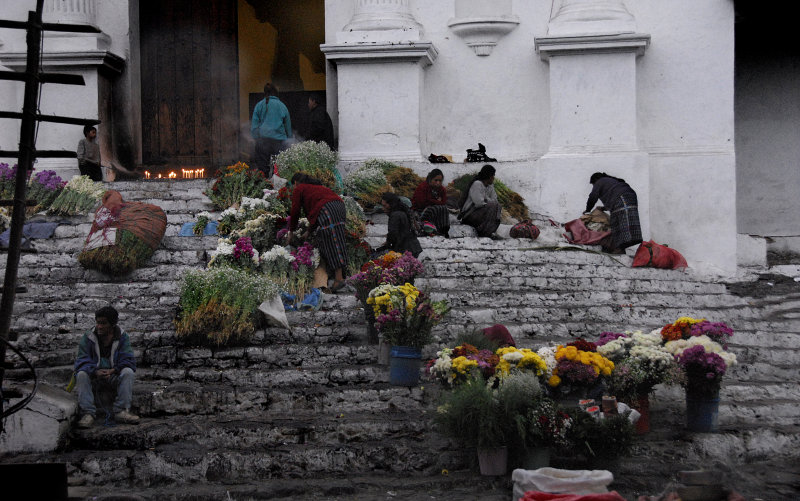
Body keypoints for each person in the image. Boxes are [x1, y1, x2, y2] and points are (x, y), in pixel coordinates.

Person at [74, 306, 139, 428]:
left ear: (113, 324)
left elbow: (129, 360)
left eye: (103, 323)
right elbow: (82, 361)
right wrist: (95, 372)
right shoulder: (88, 337)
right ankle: (88, 413)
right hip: (95, 378)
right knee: (81, 374)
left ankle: (121, 411)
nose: (99, 326)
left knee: (128, 372)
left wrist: (114, 370)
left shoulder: (122, 337)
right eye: (98, 323)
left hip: (113, 375)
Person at [289, 173, 349, 293]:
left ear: (295, 182)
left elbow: (295, 210)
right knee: (337, 240)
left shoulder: (300, 188)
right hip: (338, 206)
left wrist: (291, 231)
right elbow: (316, 211)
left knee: (332, 242)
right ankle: (341, 275)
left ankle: (339, 279)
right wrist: (309, 231)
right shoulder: (317, 188)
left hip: (327, 209)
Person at [584, 172, 642, 254]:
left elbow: (593, 196)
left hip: (621, 198)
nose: (594, 186)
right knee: (627, 221)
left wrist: (588, 209)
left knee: (616, 223)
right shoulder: (611, 181)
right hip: (630, 197)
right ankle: (622, 247)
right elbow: (613, 195)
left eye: (593, 184)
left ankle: (619, 248)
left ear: (595, 180)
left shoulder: (599, 182)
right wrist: (603, 208)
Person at [251, 82, 292, 175]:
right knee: (279, 170)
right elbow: (288, 127)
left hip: (263, 142)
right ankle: (280, 188)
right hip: (279, 143)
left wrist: (257, 139)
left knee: (262, 170)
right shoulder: (282, 106)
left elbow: (254, 127)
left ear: (264, 92)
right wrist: (289, 140)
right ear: (275, 92)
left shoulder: (259, 105)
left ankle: (264, 186)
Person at [458, 164, 502, 239]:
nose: (493, 178)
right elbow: (479, 203)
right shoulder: (477, 184)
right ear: (489, 176)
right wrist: (487, 200)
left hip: (480, 212)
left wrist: (486, 199)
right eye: (493, 175)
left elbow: (495, 199)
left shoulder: (490, 186)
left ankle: (489, 231)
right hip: (470, 214)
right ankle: (484, 232)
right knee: (492, 206)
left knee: (497, 206)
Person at [377, 192, 422, 258]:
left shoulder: (395, 215)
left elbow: (393, 233)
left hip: (406, 248)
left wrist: (388, 243)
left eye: (385, 205)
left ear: (391, 204)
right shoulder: (401, 212)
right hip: (412, 247)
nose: (383, 208)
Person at [411, 168, 450, 238]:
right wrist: (437, 201)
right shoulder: (423, 187)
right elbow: (422, 203)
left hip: (433, 209)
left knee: (444, 209)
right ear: (430, 179)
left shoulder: (442, 190)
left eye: (440, 181)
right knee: (434, 209)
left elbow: (443, 202)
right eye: (436, 180)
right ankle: (429, 229)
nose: (438, 182)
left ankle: (444, 230)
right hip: (419, 211)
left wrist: (432, 201)